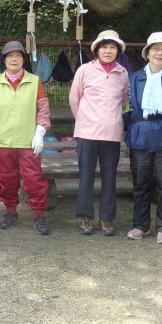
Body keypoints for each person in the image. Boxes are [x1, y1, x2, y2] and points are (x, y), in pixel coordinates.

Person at [0, 41, 52, 235]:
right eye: (10, 55)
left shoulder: (34, 81)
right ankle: (10, 211)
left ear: (23, 60)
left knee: (34, 179)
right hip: (3, 141)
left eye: (18, 55)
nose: (14, 59)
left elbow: (43, 108)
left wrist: (40, 133)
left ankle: (38, 215)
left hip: (29, 142)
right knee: (6, 179)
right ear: (4, 60)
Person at [123, 31, 162, 244]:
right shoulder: (134, 78)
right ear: (147, 52)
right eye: (155, 48)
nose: (160, 52)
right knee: (140, 182)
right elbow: (129, 106)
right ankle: (140, 224)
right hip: (140, 135)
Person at [69, 30, 130, 236]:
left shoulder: (122, 73)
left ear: (118, 51)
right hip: (87, 132)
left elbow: (123, 101)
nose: (108, 51)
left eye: (113, 47)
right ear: (97, 49)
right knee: (86, 176)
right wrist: (85, 120)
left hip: (112, 133)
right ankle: (85, 216)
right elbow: (74, 99)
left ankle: (106, 218)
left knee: (109, 177)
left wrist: (112, 119)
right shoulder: (84, 70)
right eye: (104, 47)